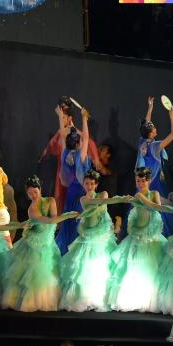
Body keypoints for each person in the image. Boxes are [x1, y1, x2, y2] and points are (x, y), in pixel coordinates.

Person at [58, 169, 127, 312]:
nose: (88, 186)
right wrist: (83, 214)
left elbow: (100, 207)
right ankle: (83, 297)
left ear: (96, 185)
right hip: (87, 232)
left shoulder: (103, 194)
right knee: (82, 265)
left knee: (100, 264)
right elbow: (91, 207)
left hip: (100, 234)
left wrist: (85, 213)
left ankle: (98, 297)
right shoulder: (83, 199)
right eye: (86, 184)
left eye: (91, 184)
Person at [1, 176, 74, 311]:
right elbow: (49, 221)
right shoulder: (31, 209)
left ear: (40, 190)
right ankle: (32, 301)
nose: (33, 195)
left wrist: (59, 219)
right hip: (34, 243)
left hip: (47, 241)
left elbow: (53, 219)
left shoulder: (50, 200)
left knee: (50, 270)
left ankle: (48, 298)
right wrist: (68, 215)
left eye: (35, 191)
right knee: (35, 272)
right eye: (30, 193)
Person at [105, 167, 167, 313]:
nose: (140, 183)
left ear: (149, 181)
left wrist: (142, 199)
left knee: (150, 265)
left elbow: (157, 208)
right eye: (138, 181)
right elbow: (135, 213)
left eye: (143, 181)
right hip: (137, 233)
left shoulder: (153, 193)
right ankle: (134, 297)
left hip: (150, 234)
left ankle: (149, 298)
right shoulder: (136, 194)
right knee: (133, 266)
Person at [56, 106, 94, 253]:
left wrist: (61, 117)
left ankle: (67, 248)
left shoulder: (65, 154)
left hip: (71, 191)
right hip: (81, 191)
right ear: (78, 143)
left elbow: (62, 134)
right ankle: (78, 250)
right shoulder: (80, 156)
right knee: (80, 218)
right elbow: (87, 138)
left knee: (70, 218)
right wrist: (84, 118)